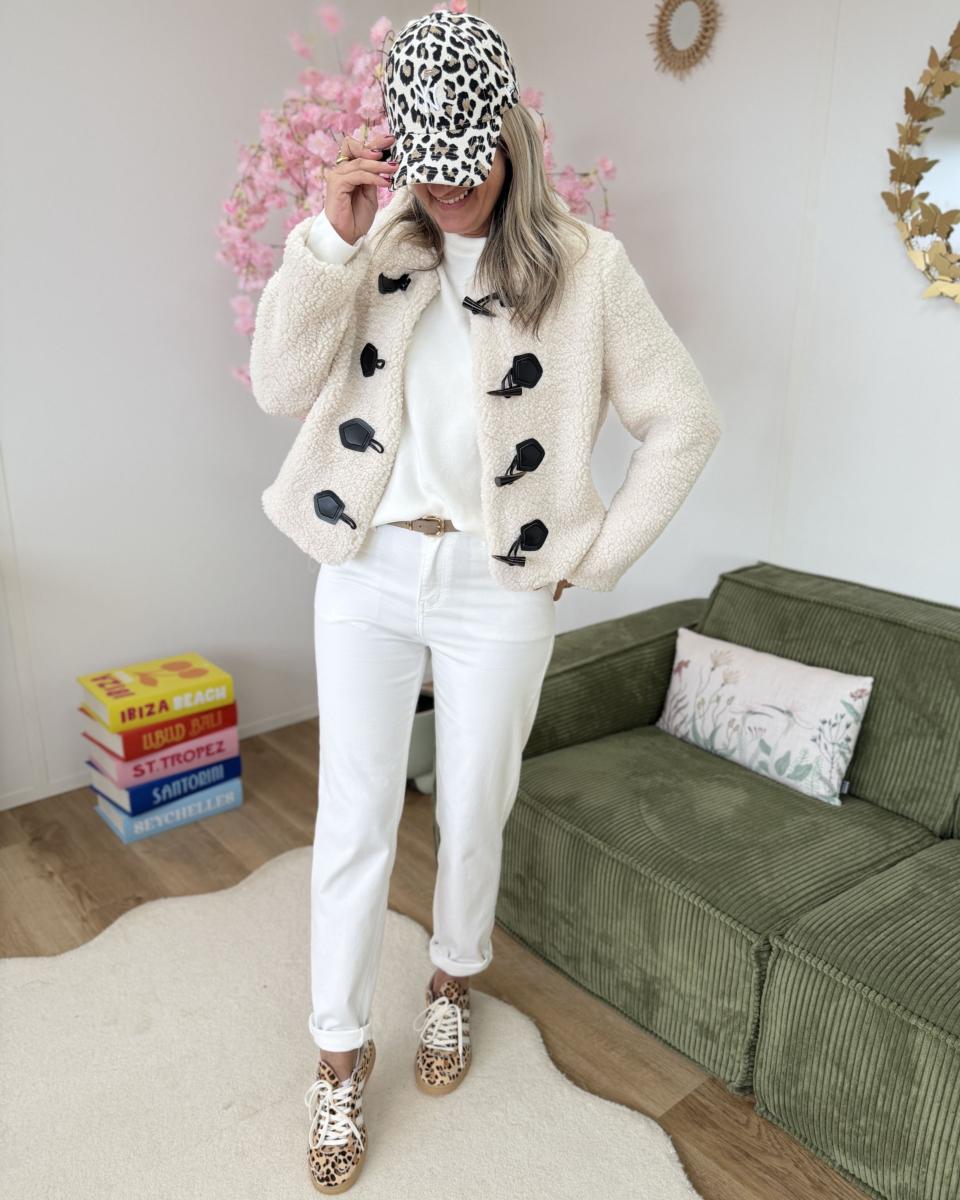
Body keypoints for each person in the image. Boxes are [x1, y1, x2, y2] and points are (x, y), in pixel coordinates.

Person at [248, 10, 722, 1193]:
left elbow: (683, 421)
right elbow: (276, 387)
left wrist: (595, 555)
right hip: (365, 567)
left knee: (472, 808)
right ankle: (339, 1056)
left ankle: (452, 982)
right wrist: (327, 241)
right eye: (429, 159)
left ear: (513, 140)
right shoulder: (370, 244)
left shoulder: (586, 268)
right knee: (352, 817)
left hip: (497, 584)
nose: (448, 184)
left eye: (470, 158)